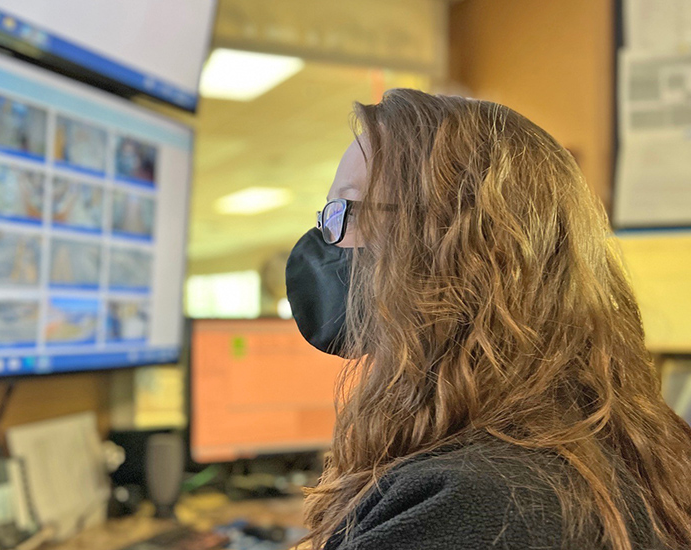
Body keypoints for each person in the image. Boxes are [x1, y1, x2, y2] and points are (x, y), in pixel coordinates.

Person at [284, 89, 691, 550]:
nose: (326, 240)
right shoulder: (610, 449)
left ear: (457, 249)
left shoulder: (467, 505)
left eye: (345, 211)